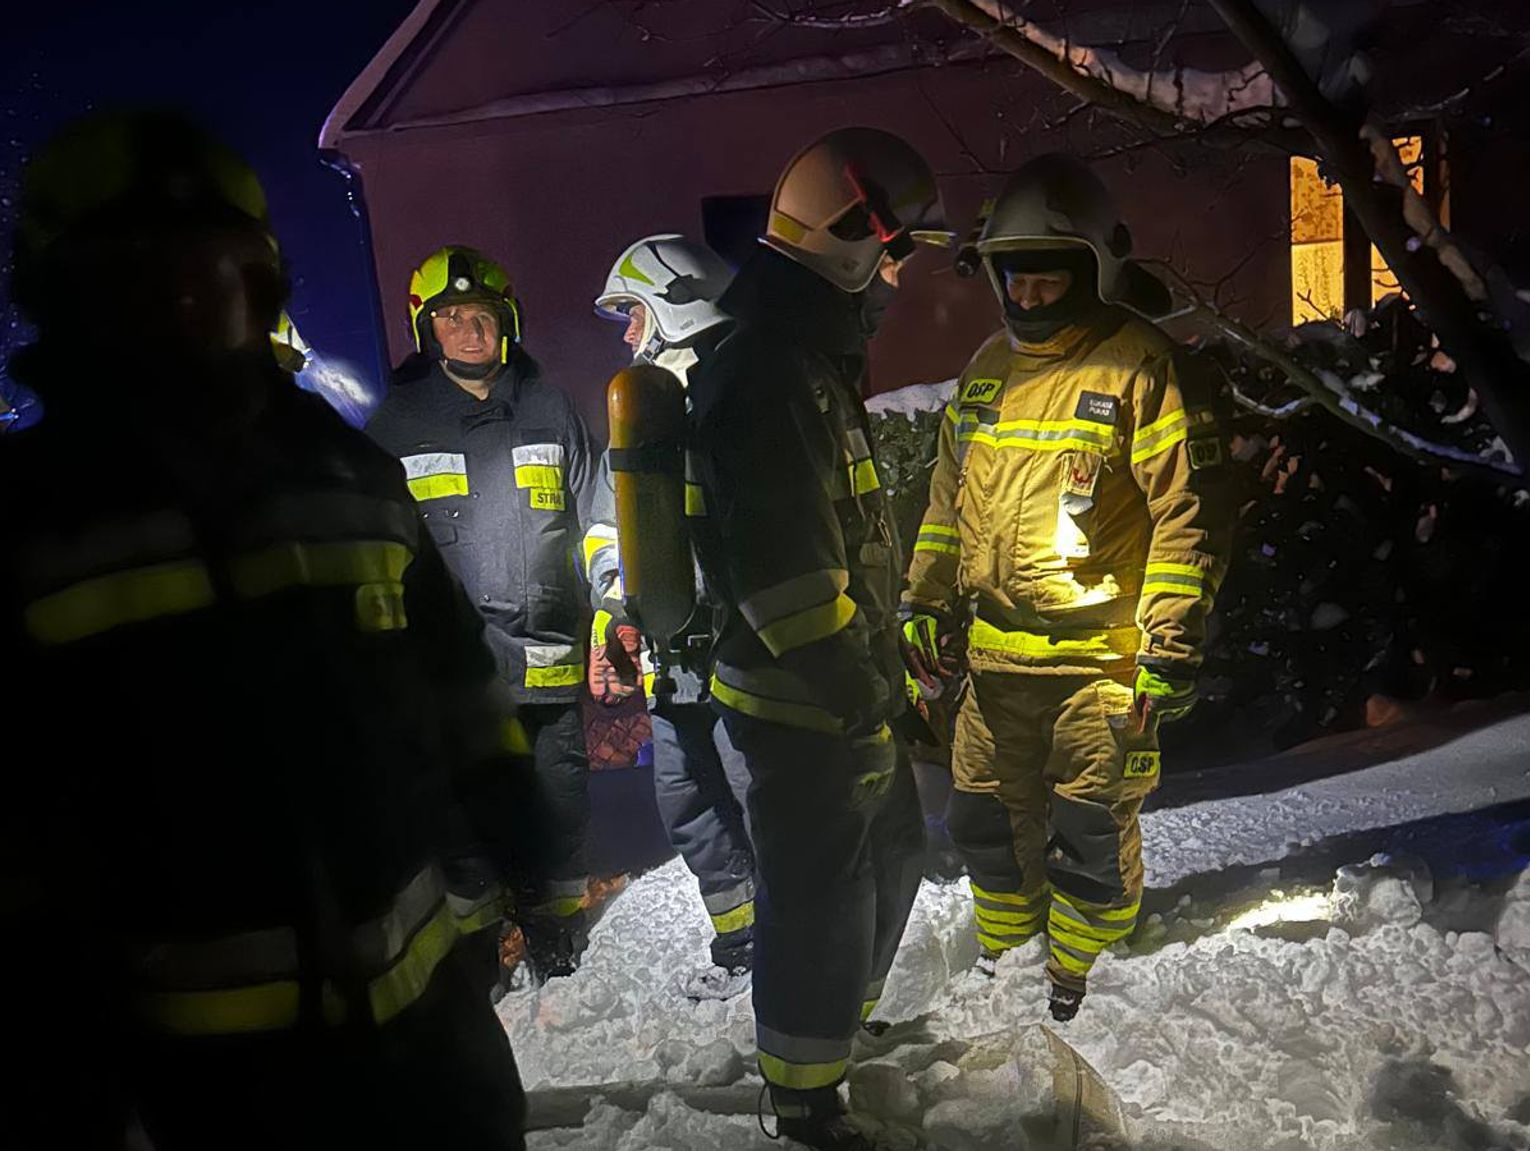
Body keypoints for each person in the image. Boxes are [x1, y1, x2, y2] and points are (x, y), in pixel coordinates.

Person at [1, 111, 529, 1149]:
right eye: (141, 277)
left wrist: (515, 823)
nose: (192, 299)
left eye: (221, 270)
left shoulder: (348, 473)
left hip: (432, 1051)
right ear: (65, 299)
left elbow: (453, 674)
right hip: (205, 1088)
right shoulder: (30, 521)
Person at [901, 152, 1232, 1022]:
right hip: (995, 659)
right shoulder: (983, 373)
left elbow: (1185, 520)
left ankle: (1089, 977)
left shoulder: (1143, 366)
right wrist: (921, 602)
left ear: (1096, 266)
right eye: (1016, 276)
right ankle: (1012, 961)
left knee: (1090, 830)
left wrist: (1171, 643)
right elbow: (945, 507)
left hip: (1103, 661)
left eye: (1050, 276)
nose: (1031, 295)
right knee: (981, 822)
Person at [686, 127, 944, 1149]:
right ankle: (805, 1099)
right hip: (805, 705)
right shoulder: (768, 375)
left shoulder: (803, 360)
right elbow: (791, 580)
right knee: (818, 897)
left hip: (839, 691)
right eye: (895, 252)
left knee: (888, 862)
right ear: (850, 244)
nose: (898, 276)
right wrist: (860, 695)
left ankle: (837, 1027)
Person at [366, 245, 598, 981]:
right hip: (454, 679)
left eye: (484, 317)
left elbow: (596, 517)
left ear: (509, 321)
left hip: (549, 657)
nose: (470, 331)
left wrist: (618, 609)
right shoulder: (395, 428)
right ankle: (478, 955)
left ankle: (560, 939)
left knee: (558, 806)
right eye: (451, 318)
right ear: (426, 331)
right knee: (462, 822)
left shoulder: (550, 407)